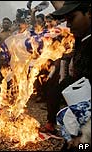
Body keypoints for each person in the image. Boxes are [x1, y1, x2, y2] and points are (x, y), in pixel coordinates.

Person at [51, 1, 91, 149]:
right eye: (66, 20)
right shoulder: (82, 36)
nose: (68, 25)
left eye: (72, 18)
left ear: (89, 13)